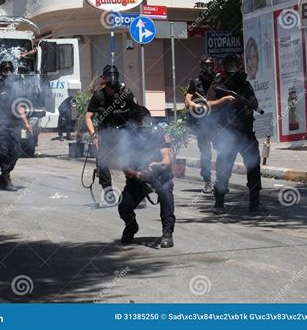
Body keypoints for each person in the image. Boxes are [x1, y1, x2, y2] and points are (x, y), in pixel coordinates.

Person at [206, 55, 262, 215]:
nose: (232, 68)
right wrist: (223, 101)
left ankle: (255, 203)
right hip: (227, 134)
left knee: (254, 167)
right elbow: (208, 105)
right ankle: (219, 203)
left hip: (245, 133)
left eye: (234, 64)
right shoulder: (217, 85)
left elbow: (255, 103)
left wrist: (246, 104)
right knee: (223, 169)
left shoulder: (245, 85)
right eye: (229, 65)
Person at [118, 106, 175, 248]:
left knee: (166, 196)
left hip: (160, 175)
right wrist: (137, 174)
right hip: (138, 177)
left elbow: (167, 158)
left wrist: (158, 165)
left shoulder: (159, 132)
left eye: (145, 120)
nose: (143, 124)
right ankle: (131, 227)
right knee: (124, 207)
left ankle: (167, 233)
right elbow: (125, 167)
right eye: (139, 121)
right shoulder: (126, 136)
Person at [85, 65, 139, 195]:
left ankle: (136, 192)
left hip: (124, 132)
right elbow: (88, 117)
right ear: (104, 79)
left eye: (114, 76)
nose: (112, 79)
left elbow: (138, 112)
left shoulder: (125, 93)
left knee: (131, 161)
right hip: (106, 133)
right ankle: (108, 193)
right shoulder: (98, 96)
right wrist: (94, 136)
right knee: (102, 162)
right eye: (109, 76)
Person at [0, 61, 33, 191]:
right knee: (3, 150)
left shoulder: (16, 87)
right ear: (1, 71)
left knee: (16, 152)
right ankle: (6, 178)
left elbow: (20, 106)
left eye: (9, 70)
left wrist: (27, 123)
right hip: (0, 124)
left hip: (15, 124)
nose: (7, 72)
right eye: (5, 70)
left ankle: (3, 175)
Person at [185, 56, 217, 193]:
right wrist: (195, 105)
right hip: (202, 123)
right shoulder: (195, 82)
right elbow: (187, 100)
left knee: (226, 149)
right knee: (206, 153)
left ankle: (222, 180)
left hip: (218, 121)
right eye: (207, 66)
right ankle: (207, 181)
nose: (209, 69)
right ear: (202, 67)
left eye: (211, 66)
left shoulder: (218, 81)